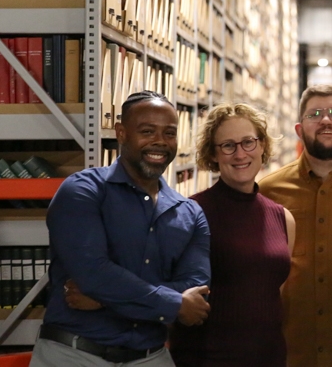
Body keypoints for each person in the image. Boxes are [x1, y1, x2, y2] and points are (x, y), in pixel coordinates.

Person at [29, 91, 211, 367]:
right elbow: (93, 273)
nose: (160, 142)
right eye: (147, 131)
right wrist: (173, 304)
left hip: (151, 358)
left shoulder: (190, 213)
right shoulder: (83, 191)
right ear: (121, 133)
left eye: (169, 133)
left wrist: (105, 298)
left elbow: (195, 290)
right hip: (74, 355)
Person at [169, 102, 296, 366]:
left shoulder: (282, 217)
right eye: (228, 146)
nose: (240, 154)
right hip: (207, 358)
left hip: (269, 357)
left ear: (262, 146)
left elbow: (273, 292)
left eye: (248, 142)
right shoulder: (191, 212)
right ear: (213, 154)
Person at [259, 84, 332, 367]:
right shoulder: (267, 191)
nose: (326, 120)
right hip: (289, 352)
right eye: (315, 114)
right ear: (299, 129)